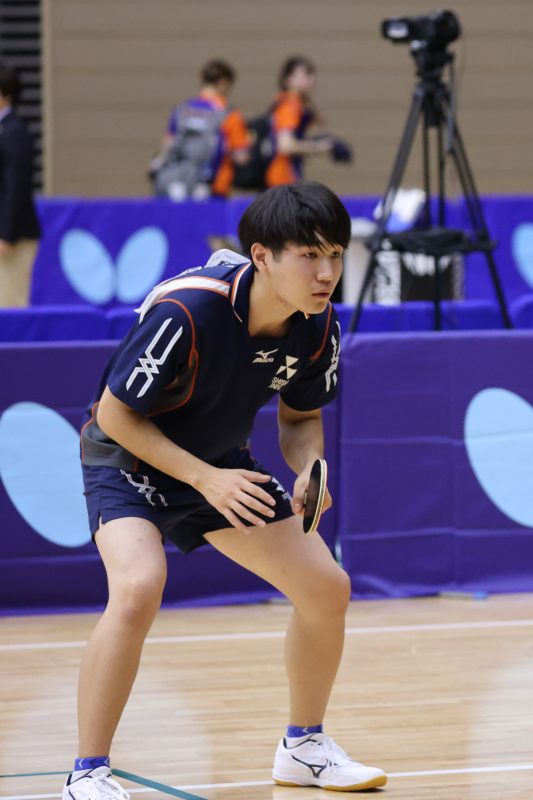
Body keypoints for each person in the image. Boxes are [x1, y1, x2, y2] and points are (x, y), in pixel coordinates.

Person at [65, 182, 385, 800]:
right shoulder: (188, 310)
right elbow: (114, 414)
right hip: (128, 458)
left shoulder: (317, 328)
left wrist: (309, 468)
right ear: (262, 256)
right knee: (136, 589)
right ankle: (88, 774)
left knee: (327, 587)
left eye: (337, 255)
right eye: (310, 255)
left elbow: (299, 420)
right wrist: (204, 478)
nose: (327, 273)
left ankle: (304, 747)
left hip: (219, 465)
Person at [150, 59, 250, 201]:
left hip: (176, 187)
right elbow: (241, 156)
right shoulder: (229, 115)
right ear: (224, 83)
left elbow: (167, 145)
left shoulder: (181, 110)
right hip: (213, 189)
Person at [265, 56, 351, 188]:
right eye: (306, 74)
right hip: (283, 179)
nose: (312, 79)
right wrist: (319, 147)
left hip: (283, 178)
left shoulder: (294, 103)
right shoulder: (290, 105)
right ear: (289, 80)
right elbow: (285, 145)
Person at [0, 62, 40, 308]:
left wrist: (6, 234)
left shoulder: (15, 133)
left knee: (9, 299)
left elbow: (16, 187)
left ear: (5, 94)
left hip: (12, 236)